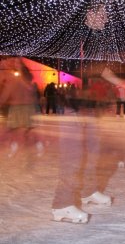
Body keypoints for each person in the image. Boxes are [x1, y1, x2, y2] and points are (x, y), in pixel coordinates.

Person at [52, 79, 113, 224]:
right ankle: (62, 204)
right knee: (74, 155)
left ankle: (88, 191)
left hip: (89, 102)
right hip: (73, 101)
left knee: (93, 150)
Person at [0, 57, 44, 157]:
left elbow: (30, 89)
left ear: (21, 63)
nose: (15, 64)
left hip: (26, 106)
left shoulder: (26, 75)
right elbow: (8, 91)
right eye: (14, 63)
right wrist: (2, 100)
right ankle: (14, 147)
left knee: (27, 129)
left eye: (17, 62)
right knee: (13, 129)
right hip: (15, 107)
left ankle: (38, 144)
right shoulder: (13, 76)